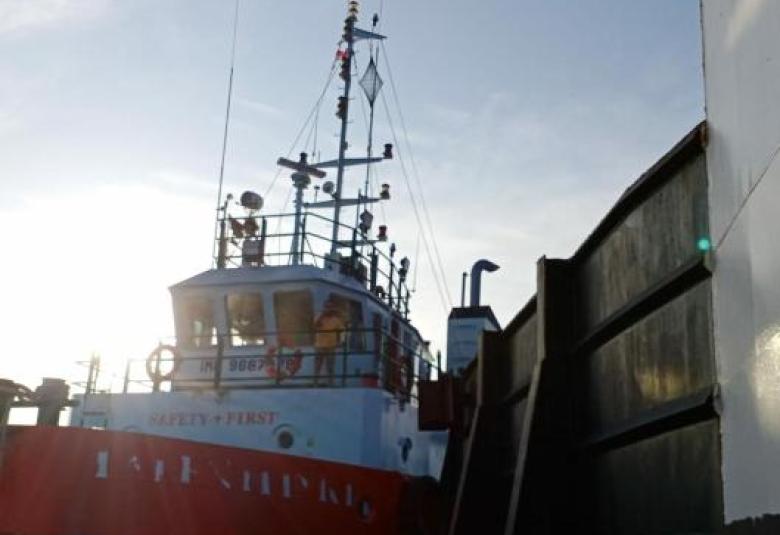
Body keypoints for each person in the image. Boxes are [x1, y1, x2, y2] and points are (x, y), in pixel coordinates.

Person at [313, 299, 346, 386]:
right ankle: (315, 384)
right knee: (317, 366)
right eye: (327, 307)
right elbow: (315, 325)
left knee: (330, 366)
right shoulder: (319, 317)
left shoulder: (336, 320)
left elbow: (342, 330)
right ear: (324, 307)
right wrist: (322, 315)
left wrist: (341, 341)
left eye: (330, 307)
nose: (328, 309)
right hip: (319, 346)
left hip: (331, 346)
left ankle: (331, 384)